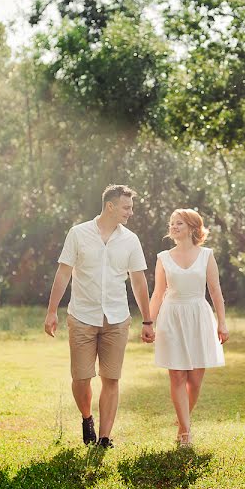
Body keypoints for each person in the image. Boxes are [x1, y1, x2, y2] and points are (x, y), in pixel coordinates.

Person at [44, 185, 152, 449]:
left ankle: (104, 438)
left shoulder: (130, 240)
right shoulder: (78, 234)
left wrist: (148, 320)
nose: (131, 212)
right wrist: (51, 311)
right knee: (81, 378)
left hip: (117, 318)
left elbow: (138, 282)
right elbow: (63, 273)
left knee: (111, 378)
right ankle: (86, 416)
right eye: (126, 207)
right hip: (82, 316)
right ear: (111, 206)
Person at [143, 208, 228, 447]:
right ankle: (186, 434)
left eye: (179, 223)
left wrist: (222, 322)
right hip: (172, 316)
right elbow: (158, 294)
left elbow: (215, 291)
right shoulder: (163, 258)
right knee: (178, 374)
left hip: (199, 316)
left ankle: (182, 423)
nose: (173, 227)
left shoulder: (206, 255)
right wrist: (148, 322)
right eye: (171, 223)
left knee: (196, 380)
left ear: (192, 227)